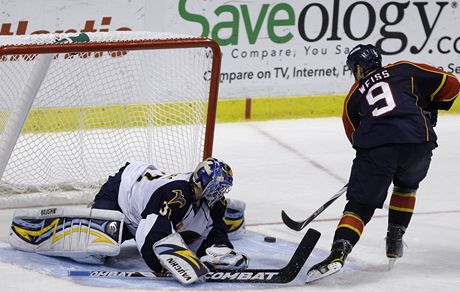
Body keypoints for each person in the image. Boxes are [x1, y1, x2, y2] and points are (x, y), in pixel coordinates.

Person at [306, 44, 459, 282]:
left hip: (378, 150)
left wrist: (370, 166)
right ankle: (394, 239)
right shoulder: (403, 69)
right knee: (407, 185)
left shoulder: (354, 95)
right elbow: (452, 85)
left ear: (358, 68)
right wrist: (429, 105)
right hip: (419, 141)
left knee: (359, 206)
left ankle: (338, 253)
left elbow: (355, 137)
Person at [9, 157, 248, 285]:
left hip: (143, 209)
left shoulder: (212, 202)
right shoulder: (178, 193)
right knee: (100, 247)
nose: (220, 193)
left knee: (194, 233)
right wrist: (159, 264)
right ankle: (56, 229)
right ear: (203, 184)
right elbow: (148, 231)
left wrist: (220, 249)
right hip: (122, 192)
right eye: (217, 188)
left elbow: (216, 228)